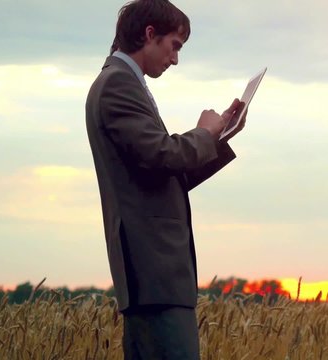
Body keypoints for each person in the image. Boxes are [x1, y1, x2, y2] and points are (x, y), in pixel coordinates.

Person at [85, 0, 244, 358]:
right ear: (149, 34)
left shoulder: (122, 82)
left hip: (156, 276)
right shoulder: (117, 85)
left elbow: (161, 174)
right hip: (153, 272)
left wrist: (220, 136)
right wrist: (204, 132)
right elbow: (162, 155)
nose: (175, 59)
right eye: (175, 46)